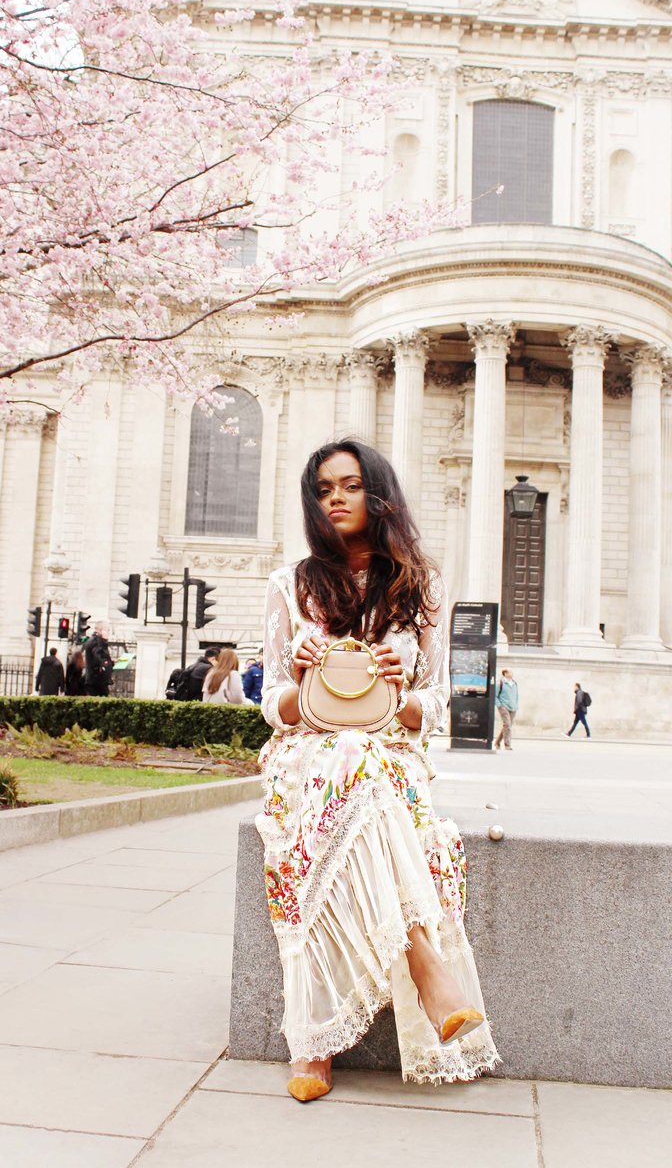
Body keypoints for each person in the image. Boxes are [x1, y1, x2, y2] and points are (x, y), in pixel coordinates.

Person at [257, 439, 496, 1104]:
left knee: (363, 764)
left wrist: (403, 690)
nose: (335, 497)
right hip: (307, 754)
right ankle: (427, 965)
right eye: (323, 488)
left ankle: (313, 1044)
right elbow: (271, 708)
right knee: (347, 760)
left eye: (350, 485)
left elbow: (437, 705)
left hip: (390, 755)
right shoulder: (290, 585)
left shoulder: (420, 585)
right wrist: (303, 676)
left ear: (378, 493)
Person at [83, 624, 114, 697]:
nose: (109, 633)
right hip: (96, 680)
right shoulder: (95, 642)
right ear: (99, 631)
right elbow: (100, 658)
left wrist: (111, 662)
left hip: (99, 680)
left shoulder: (100, 642)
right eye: (107, 630)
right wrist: (108, 664)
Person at [493, 669, 518, 751]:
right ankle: (507, 745)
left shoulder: (514, 683)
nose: (512, 673)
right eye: (510, 672)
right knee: (507, 724)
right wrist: (500, 705)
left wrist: (516, 705)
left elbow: (516, 696)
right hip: (504, 707)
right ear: (505, 673)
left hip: (513, 707)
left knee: (507, 726)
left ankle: (497, 742)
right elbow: (495, 695)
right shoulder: (500, 683)